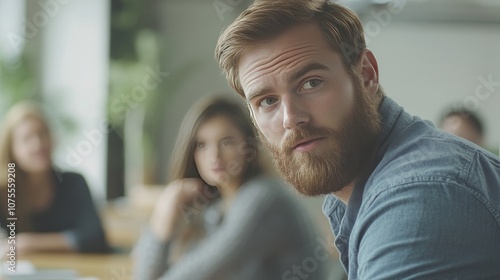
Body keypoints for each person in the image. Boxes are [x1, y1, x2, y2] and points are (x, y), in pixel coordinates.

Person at [215, 1, 500, 279]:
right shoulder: (357, 185)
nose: (290, 118)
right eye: (267, 101)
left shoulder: (420, 197)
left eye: (310, 83)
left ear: (365, 74)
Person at [132, 95, 328, 280]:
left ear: (249, 146)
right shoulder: (214, 206)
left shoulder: (264, 200)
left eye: (226, 142)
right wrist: (164, 215)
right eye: (202, 145)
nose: (214, 155)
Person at [0, 101, 109, 253]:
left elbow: (94, 237)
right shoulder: (3, 190)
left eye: (42, 133)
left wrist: (28, 243)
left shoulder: (73, 183)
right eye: (27, 139)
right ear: (11, 149)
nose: (38, 144)